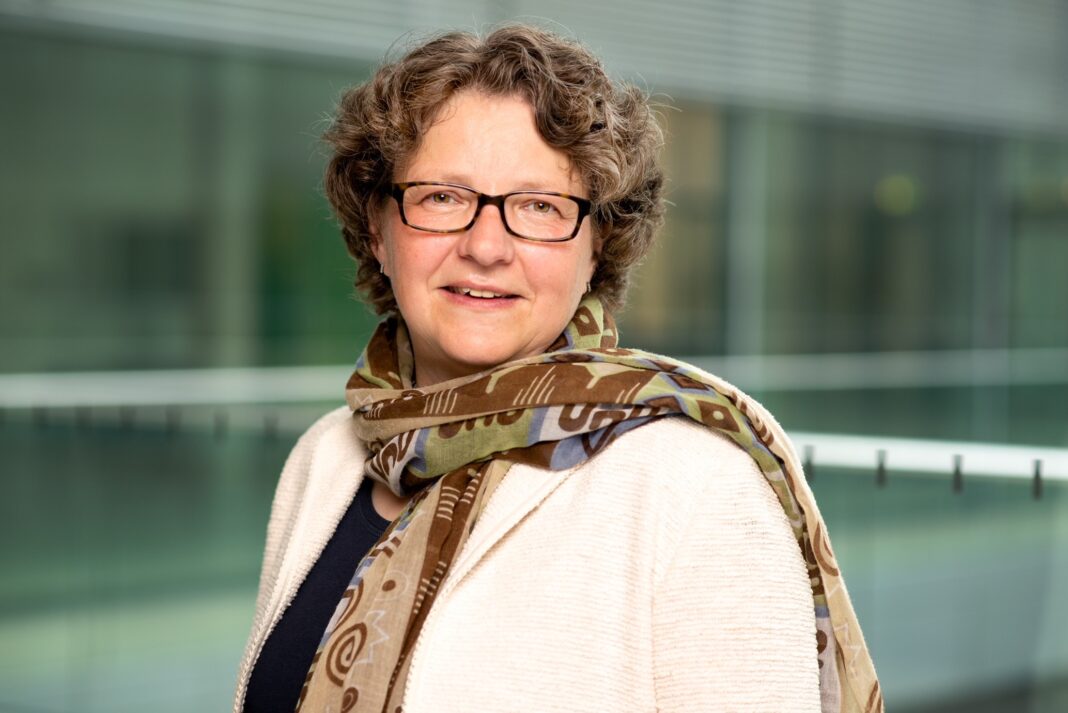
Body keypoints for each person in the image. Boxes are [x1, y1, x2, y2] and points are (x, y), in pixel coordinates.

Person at [234, 25, 882, 713]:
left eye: (539, 206)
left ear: (597, 243)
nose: (486, 246)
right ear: (378, 229)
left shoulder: (695, 490)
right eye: (442, 197)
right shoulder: (323, 459)